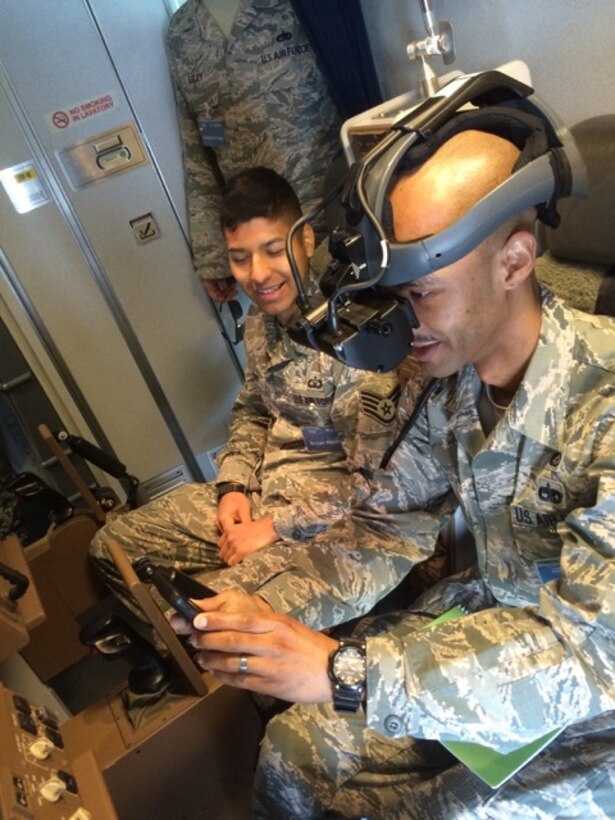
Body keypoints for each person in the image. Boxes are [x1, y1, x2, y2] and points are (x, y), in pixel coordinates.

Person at [173, 128, 615, 817]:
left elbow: (589, 654)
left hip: (589, 694)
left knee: (443, 808)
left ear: (514, 261)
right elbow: (386, 522)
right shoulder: (447, 381)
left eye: (423, 294)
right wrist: (261, 613)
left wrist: (339, 669)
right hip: (492, 627)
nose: (401, 326)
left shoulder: (604, 400)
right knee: (294, 750)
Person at [90, 167, 402, 606]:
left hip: (324, 522)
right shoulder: (262, 322)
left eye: (273, 250)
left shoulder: (353, 331)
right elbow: (254, 411)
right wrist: (233, 487)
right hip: (261, 491)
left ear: (306, 240)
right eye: (240, 258)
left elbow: (377, 484)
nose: (258, 274)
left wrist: (273, 529)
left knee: (203, 617)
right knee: (111, 548)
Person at [166, 0, 346, 302]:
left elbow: (356, 87)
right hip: (260, 236)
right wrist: (212, 256)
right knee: (299, 337)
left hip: (334, 213)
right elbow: (197, 149)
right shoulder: (183, 32)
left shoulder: (297, 7)